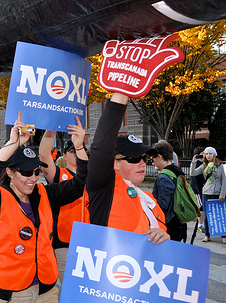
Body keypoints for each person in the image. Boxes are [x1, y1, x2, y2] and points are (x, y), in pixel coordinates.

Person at [0, 112, 87, 303]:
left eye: (36, 172)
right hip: (9, 295)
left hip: (44, 290)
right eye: (26, 173)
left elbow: (80, 185)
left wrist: (79, 147)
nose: (33, 178)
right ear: (10, 173)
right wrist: (12, 144)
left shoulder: (45, 193)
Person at [87, 92, 170, 245]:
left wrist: (164, 236)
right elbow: (101, 148)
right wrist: (121, 94)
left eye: (144, 158)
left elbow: (158, 239)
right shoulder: (104, 189)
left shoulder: (150, 200)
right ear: (114, 163)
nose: (142, 163)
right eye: (134, 158)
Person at [39, 132, 89, 303]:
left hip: (88, 243)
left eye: (78, 150)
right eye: (71, 150)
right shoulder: (59, 175)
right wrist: (51, 127)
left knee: (77, 293)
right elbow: (44, 155)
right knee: (73, 290)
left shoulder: (91, 179)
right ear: (64, 155)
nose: (75, 154)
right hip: (64, 243)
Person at [151, 141, 187, 242]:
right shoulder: (177, 171)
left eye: (153, 159)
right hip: (180, 221)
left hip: (170, 225)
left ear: (159, 156)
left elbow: (163, 204)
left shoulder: (163, 177)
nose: (153, 163)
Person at [191, 146, 226, 243]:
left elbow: (224, 180)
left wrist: (222, 194)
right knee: (207, 215)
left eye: (210, 153)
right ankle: (207, 235)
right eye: (206, 154)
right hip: (206, 192)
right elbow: (193, 173)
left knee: (221, 214)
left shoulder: (220, 166)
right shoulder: (204, 166)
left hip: (218, 192)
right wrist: (193, 162)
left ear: (214, 155)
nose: (208, 155)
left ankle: (224, 235)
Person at [190, 146, 205, 232]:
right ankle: (200, 224)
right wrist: (199, 191)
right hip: (197, 189)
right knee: (201, 207)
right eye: (202, 154)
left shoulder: (204, 164)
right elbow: (194, 178)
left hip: (201, 188)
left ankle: (198, 218)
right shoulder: (196, 164)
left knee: (200, 207)